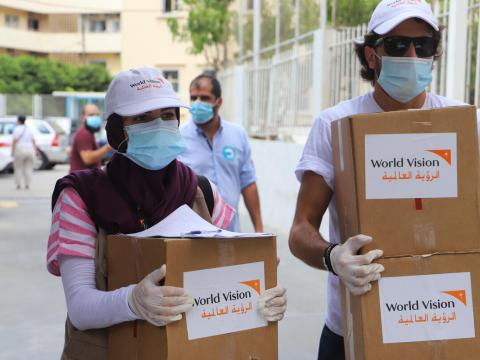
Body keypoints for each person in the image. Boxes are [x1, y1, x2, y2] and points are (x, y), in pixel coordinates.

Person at [46, 67, 287, 359]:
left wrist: (260, 296)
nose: (159, 125)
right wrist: (132, 301)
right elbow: (80, 307)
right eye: (142, 118)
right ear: (116, 129)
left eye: (167, 115)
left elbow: (227, 283)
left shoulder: (202, 192)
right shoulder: (81, 197)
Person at [288, 1, 464, 359]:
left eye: (424, 45)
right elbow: (300, 229)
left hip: (446, 320)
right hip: (354, 329)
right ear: (372, 55)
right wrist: (333, 257)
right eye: (398, 45)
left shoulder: (463, 126)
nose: (413, 54)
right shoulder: (337, 125)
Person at [178, 73, 263, 232]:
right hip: (193, 234)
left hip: (231, 233)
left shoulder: (237, 135)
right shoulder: (178, 138)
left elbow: (248, 183)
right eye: (193, 97)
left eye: (204, 98)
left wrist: (259, 229)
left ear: (219, 101)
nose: (197, 103)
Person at [69, 103, 112, 172]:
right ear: (83, 117)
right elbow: (87, 159)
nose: (95, 117)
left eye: (97, 115)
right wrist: (108, 147)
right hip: (82, 180)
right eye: (91, 115)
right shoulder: (84, 133)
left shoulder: (89, 132)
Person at [11, 115, 37, 190]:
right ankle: (27, 184)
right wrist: (35, 151)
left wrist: (12, 152)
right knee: (28, 168)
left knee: (18, 167)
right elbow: (33, 140)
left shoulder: (16, 129)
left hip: (20, 149)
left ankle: (18, 184)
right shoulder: (29, 129)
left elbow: (14, 141)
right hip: (30, 149)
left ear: (19, 121)